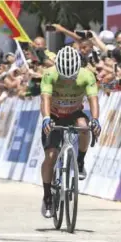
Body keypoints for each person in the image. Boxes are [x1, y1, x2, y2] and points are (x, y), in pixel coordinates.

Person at [40, 46, 101, 218]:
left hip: (74, 112)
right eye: (64, 78)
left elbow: (93, 99)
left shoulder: (87, 75)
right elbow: (45, 98)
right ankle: (47, 196)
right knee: (51, 156)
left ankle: (80, 161)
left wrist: (95, 120)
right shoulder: (49, 74)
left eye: (71, 78)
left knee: (84, 126)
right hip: (54, 114)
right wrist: (46, 118)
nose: (67, 82)